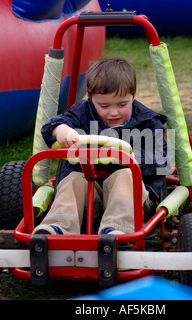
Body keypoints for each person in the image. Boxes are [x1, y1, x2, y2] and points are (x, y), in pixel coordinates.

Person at [33, 56, 170, 235]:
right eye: (104, 105)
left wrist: (131, 160)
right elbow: (50, 126)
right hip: (90, 198)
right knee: (74, 180)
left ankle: (116, 231)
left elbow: (165, 162)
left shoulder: (150, 121)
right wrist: (61, 130)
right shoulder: (81, 111)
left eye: (122, 104)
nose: (113, 112)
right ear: (90, 98)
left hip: (136, 202)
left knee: (124, 175)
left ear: (133, 96)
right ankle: (57, 228)